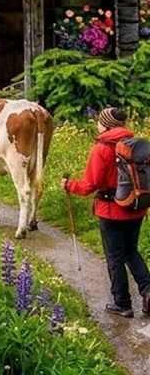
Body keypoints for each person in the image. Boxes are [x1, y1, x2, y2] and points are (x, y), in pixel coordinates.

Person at [62, 106, 150, 318]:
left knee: (115, 257)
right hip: (136, 206)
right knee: (131, 251)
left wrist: (69, 185)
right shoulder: (136, 145)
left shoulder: (101, 149)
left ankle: (122, 304)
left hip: (111, 211)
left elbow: (90, 185)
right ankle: (148, 292)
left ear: (105, 124)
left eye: (100, 121)